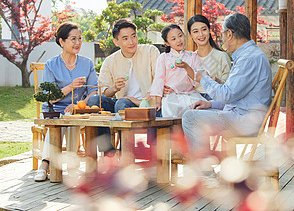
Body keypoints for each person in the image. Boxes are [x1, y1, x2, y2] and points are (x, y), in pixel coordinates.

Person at [182, 13, 272, 154]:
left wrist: (203, 78)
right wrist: (210, 104)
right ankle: (207, 164)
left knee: (190, 118)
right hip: (243, 115)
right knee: (196, 111)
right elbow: (236, 96)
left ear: (229, 34)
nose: (222, 38)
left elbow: (227, 95)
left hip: (245, 121)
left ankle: (203, 170)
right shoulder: (249, 55)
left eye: (223, 34)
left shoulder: (248, 59)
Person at [34, 22, 98, 182]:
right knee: (61, 120)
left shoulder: (87, 63)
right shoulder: (51, 65)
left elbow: (94, 92)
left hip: (80, 111)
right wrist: (70, 87)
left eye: (80, 39)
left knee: (71, 117)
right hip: (54, 110)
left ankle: (65, 165)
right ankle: (47, 163)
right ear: (62, 42)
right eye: (73, 39)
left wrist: (79, 105)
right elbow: (49, 97)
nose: (78, 43)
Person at [87, 18, 160, 150]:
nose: (131, 42)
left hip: (147, 103)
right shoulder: (110, 61)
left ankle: (125, 152)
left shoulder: (150, 51)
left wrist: (140, 101)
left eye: (134, 36)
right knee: (95, 100)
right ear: (116, 42)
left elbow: (159, 81)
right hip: (123, 103)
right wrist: (115, 88)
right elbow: (103, 91)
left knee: (122, 104)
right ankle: (107, 151)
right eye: (125, 38)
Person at [149, 24, 206, 117]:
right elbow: (159, 80)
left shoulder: (193, 56)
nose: (179, 41)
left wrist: (186, 67)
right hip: (172, 97)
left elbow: (198, 79)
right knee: (173, 115)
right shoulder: (163, 58)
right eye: (173, 39)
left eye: (180, 36)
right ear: (166, 42)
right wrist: (158, 102)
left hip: (190, 95)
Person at [186, 15, 231, 100]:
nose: (201, 34)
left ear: (209, 30)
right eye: (195, 31)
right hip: (193, 98)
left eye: (204, 29)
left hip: (216, 100)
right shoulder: (189, 58)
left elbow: (230, 87)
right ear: (190, 35)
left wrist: (217, 80)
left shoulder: (222, 56)